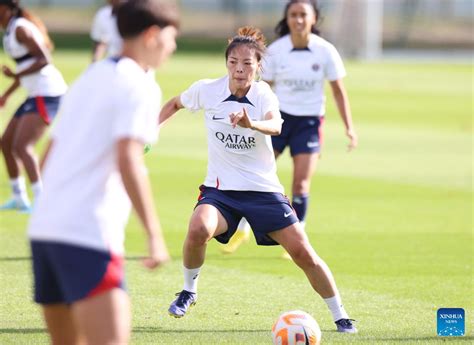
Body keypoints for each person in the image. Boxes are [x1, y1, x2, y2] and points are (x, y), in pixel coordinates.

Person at [159, 26, 357, 333]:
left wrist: (252, 123)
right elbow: (174, 103)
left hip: (263, 193)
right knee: (199, 227)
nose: (239, 69)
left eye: (247, 63)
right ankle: (188, 291)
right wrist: (152, 129)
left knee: (303, 253)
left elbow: (277, 126)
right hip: (220, 191)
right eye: (233, 62)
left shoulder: (264, 94)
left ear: (258, 67)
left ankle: (341, 314)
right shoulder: (207, 90)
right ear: (226, 64)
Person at [27, 1, 179, 344]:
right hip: (88, 234)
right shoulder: (141, 84)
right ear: (152, 35)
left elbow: (49, 154)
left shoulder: (90, 75)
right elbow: (129, 158)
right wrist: (154, 235)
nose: (172, 47)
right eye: (172, 38)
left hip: (45, 232)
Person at [222, 0, 358, 257]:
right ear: (287, 18)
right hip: (278, 120)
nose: (297, 20)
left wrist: (350, 127)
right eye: (293, 15)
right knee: (254, 173)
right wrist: (250, 119)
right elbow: (262, 90)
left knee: (301, 183)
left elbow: (339, 91)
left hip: (308, 123)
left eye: (302, 15)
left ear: (313, 19)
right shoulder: (276, 51)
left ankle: (299, 233)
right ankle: (241, 227)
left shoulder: (325, 51)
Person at [0, 0, 67, 212]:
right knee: (6, 143)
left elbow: (43, 59)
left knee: (22, 146)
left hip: (48, 93)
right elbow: (27, 64)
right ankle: (19, 197)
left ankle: (41, 200)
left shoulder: (20, 28)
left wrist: (15, 75)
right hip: (35, 93)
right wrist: (7, 95)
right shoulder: (11, 29)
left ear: (6, 8)